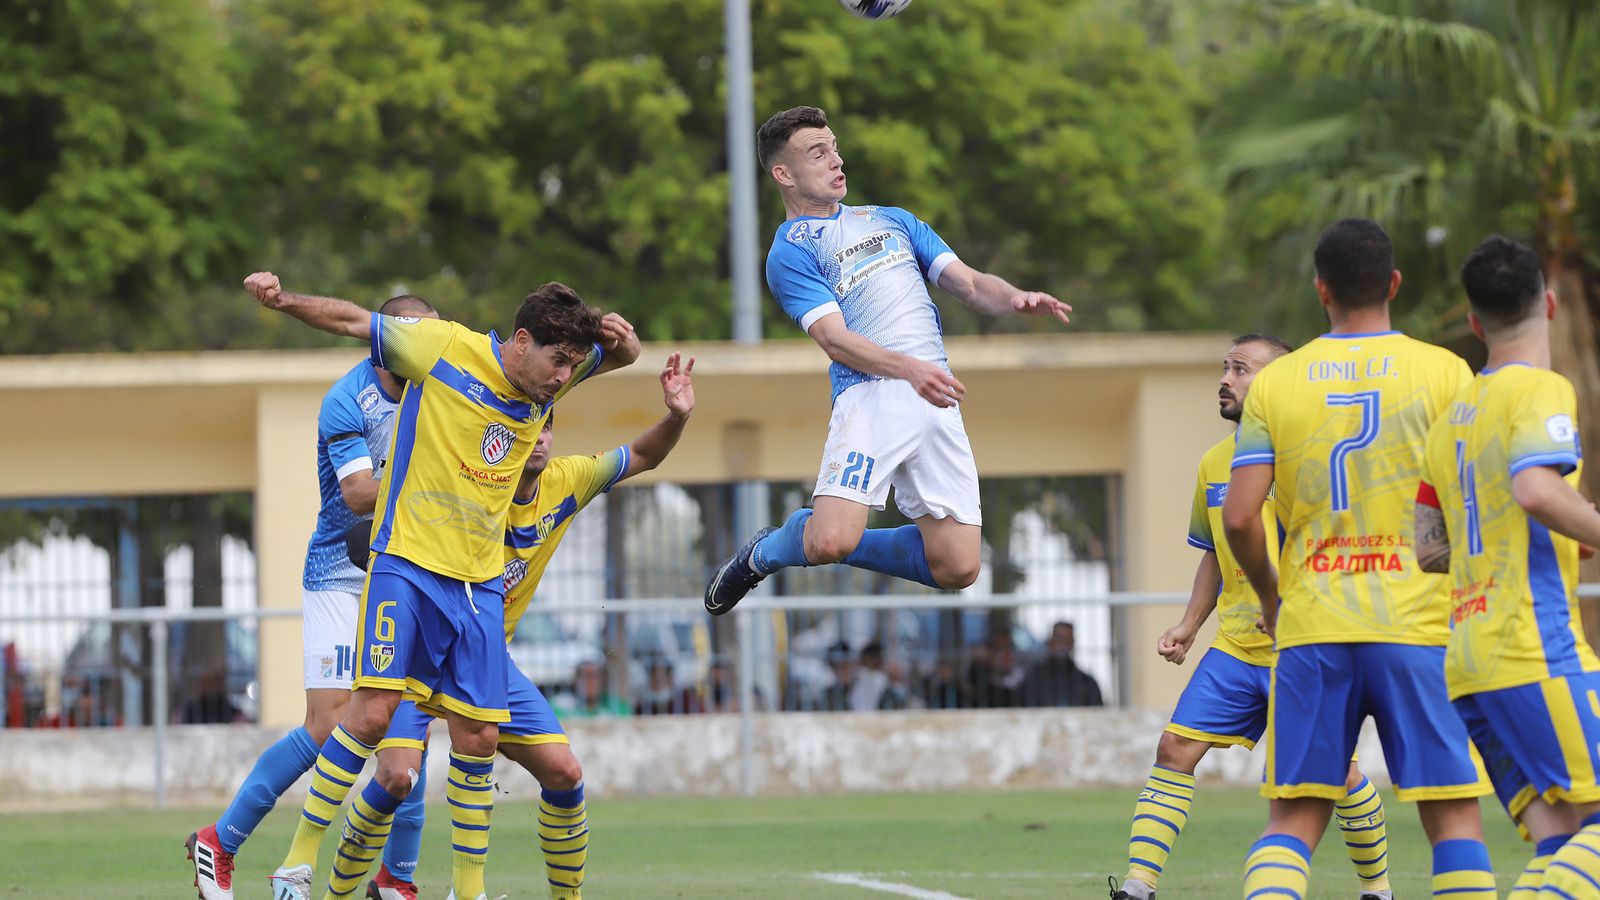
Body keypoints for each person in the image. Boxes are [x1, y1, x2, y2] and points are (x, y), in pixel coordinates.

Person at [241, 272, 639, 900]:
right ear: (522, 341)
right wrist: (281, 300)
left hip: (477, 588)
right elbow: (350, 319)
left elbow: (620, 356)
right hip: (406, 564)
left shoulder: (546, 379)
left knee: (478, 736)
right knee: (371, 713)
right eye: (558, 362)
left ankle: (467, 891)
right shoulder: (443, 346)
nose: (566, 377)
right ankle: (298, 861)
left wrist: (627, 343)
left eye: (572, 365)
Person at [331, 353, 694, 900]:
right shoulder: (469, 484)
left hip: (485, 660)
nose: (540, 439)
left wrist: (677, 416)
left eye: (547, 428)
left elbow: (641, 454)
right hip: (419, 652)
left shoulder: (567, 482)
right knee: (397, 777)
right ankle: (346, 888)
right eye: (531, 429)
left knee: (565, 772)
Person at [703, 105, 1072, 616]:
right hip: (870, 396)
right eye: (818, 153)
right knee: (829, 541)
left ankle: (815, 529)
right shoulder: (790, 251)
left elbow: (969, 283)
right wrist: (909, 368)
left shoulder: (891, 220)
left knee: (958, 565)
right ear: (783, 174)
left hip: (934, 394)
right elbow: (835, 341)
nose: (837, 160)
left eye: (834, 148)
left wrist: (1014, 298)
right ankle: (769, 550)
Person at [1222, 219, 1490, 899]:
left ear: (1322, 289)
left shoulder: (1277, 383)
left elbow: (1240, 516)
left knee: (1292, 822)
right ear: (1393, 283)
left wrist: (1270, 595)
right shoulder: (1445, 372)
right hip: (1417, 626)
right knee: (1455, 820)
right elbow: (1471, 501)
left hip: (1313, 625)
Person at [1108, 335, 1390, 900]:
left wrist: (1300, 607)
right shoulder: (1215, 462)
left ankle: (1377, 890)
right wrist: (1189, 624)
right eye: (1225, 367)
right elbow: (1216, 552)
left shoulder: (1314, 456)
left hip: (1303, 647)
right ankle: (1138, 888)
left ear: (1279, 383)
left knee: (1338, 773)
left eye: (1240, 369)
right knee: (1174, 749)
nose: (1225, 379)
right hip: (1236, 647)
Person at [186, 293, 438, 900]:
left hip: (409, 572)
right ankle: (220, 840)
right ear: (388, 340)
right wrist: (433, 476)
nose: (431, 349)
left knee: (408, 735)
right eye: (418, 336)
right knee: (328, 726)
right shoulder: (347, 399)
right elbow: (358, 494)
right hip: (339, 575)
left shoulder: (440, 390)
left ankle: (397, 880)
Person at [1416, 235, 1600, 896]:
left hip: (1469, 660)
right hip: (1533, 645)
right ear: (1548, 304)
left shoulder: (1449, 421)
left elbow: (1429, 548)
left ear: (1474, 322)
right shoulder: (1542, 389)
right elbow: (1535, 490)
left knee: (1562, 838)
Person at [1026, 621, 1104, 708]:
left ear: (1072, 643)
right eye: (1059, 638)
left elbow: (1097, 710)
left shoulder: (1086, 682)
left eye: (1067, 639)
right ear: (1051, 641)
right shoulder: (1034, 677)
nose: (1062, 644)